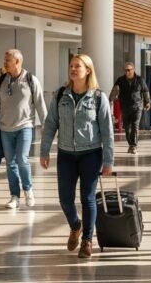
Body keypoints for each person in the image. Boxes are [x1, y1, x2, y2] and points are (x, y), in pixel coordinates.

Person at [40, 54, 113, 259]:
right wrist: (44, 151)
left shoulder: (98, 97)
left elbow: (107, 131)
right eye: (71, 66)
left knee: (87, 198)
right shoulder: (61, 95)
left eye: (77, 66)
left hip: (91, 153)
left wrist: (108, 161)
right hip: (66, 154)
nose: (73, 69)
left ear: (87, 70)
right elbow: (51, 124)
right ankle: (76, 225)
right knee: (65, 199)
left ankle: (87, 240)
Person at [0, 49, 47, 209]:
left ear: (18, 62)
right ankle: (14, 196)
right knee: (10, 163)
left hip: (25, 126)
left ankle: (28, 191)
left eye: (7, 61)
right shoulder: (1, 80)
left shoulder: (31, 80)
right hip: (5, 128)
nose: (4, 64)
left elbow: (40, 103)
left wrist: (46, 124)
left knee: (22, 159)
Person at [110, 62, 150, 154]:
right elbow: (114, 91)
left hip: (137, 106)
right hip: (125, 106)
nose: (127, 72)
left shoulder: (140, 80)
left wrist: (147, 102)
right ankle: (130, 144)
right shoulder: (120, 80)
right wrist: (110, 100)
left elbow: (145, 91)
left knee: (135, 125)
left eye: (129, 70)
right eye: (125, 70)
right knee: (127, 128)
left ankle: (134, 145)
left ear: (133, 70)